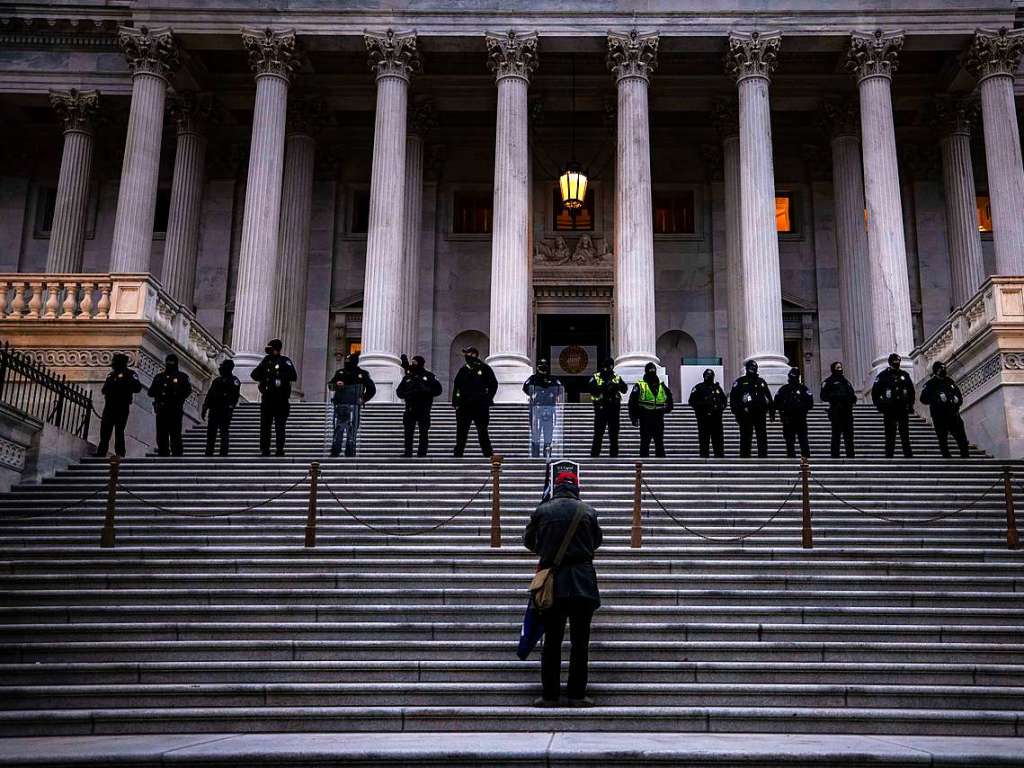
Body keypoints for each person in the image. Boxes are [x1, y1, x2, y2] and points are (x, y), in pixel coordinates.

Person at [523, 469, 603, 708]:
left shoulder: (542, 511)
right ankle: (577, 693)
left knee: (552, 641)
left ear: (556, 488)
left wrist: (547, 551)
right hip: (582, 582)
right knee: (580, 642)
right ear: (576, 487)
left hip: (553, 582)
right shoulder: (588, 511)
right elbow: (596, 541)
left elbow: (529, 542)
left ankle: (550, 694)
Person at [251, 338, 297, 457]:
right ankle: (265, 449)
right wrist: (264, 379)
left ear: (276, 349)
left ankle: (279, 449)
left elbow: (293, 375)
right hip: (267, 398)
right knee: (265, 426)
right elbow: (254, 374)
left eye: (271, 348)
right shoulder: (266, 361)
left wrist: (279, 378)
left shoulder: (284, 361)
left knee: (280, 426)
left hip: (281, 399)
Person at [328, 352, 376, 457]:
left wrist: (363, 399)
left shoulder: (362, 374)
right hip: (340, 405)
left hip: (354, 405)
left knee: (352, 430)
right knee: (338, 429)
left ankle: (350, 450)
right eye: (346, 361)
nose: (347, 363)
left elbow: (371, 389)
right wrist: (336, 384)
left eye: (349, 361)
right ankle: (335, 449)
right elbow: (330, 385)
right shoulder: (340, 373)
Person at [452, 346, 497, 457]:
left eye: (468, 354)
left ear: (474, 355)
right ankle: (458, 452)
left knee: (482, 431)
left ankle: (487, 452)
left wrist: (487, 398)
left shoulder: (485, 368)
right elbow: (457, 387)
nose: (466, 356)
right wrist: (456, 402)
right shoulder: (463, 369)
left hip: (480, 406)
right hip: (464, 406)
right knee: (461, 431)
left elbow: (493, 384)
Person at [95, 353, 142, 458]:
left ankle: (120, 452)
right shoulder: (111, 375)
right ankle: (101, 451)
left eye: (115, 362)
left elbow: (137, 388)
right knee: (105, 430)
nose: (113, 364)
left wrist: (124, 386)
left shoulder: (130, 374)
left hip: (122, 406)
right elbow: (105, 389)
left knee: (119, 430)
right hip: (109, 406)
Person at [920, 360, 970, 458]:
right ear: (936, 371)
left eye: (944, 368)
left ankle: (965, 454)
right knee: (943, 437)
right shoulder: (931, 384)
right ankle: (946, 456)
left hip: (953, 413)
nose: (943, 370)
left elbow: (958, 394)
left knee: (961, 435)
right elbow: (923, 399)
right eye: (940, 369)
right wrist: (937, 399)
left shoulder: (949, 381)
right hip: (939, 415)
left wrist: (957, 400)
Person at [871, 353, 915, 458]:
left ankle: (907, 453)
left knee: (905, 432)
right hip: (889, 409)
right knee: (890, 433)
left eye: (898, 361)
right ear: (890, 362)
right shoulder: (882, 376)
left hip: (902, 408)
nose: (897, 363)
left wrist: (910, 404)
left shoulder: (904, 375)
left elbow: (911, 391)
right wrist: (880, 406)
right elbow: (875, 393)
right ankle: (889, 454)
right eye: (895, 361)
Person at [396, 354, 441, 457]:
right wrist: (407, 395)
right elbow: (399, 391)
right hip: (410, 409)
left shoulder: (429, 376)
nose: (413, 364)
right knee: (408, 432)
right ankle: (408, 452)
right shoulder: (408, 377)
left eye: (415, 362)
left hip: (424, 409)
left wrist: (426, 390)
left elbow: (438, 390)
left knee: (423, 432)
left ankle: (422, 452)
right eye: (412, 362)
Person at [147, 353, 192, 457]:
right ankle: (163, 452)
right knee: (161, 434)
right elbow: (151, 392)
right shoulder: (159, 377)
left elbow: (187, 391)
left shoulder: (182, 377)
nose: (169, 365)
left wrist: (177, 397)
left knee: (175, 433)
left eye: (171, 362)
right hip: (161, 409)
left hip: (175, 409)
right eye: (168, 362)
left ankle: (177, 453)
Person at [729, 359, 775, 458]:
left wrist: (772, 412)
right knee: (745, 436)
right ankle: (745, 455)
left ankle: (763, 454)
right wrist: (737, 413)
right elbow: (733, 399)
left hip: (760, 413)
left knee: (762, 436)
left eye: (754, 368)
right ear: (747, 368)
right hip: (745, 414)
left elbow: (769, 397)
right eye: (751, 368)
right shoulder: (740, 382)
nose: (752, 370)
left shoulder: (761, 382)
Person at [628, 362, 674, 458]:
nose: (652, 372)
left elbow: (669, 396)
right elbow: (632, 402)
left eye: (653, 370)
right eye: (650, 370)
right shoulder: (640, 385)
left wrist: (668, 408)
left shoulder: (661, 385)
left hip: (658, 416)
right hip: (645, 417)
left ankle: (661, 465)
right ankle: (644, 464)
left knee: (659, 442)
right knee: (645, 441)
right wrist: (634, 417)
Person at [523, 359, 563, 458]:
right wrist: (533, 394)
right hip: (536, 409)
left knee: (548, 433)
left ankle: (547, 454)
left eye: (545, 365)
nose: (543, 367)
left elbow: (560, 389)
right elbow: (525, 388)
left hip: (549, 407)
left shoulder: (553, 378)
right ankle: (535, 455)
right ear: (537, 367)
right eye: (541, 365)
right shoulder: (533, 378)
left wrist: (552, 395)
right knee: (535, 433)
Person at [587, 358, 627, 457]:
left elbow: (624, 389)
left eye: (609, 366)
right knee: (598, 434)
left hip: (613, 409)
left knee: (614, 435)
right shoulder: (596, 376)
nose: (608, 368)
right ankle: (595, 455)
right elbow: (591, 389)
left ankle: (614, 455)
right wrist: (605, 387)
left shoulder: (616, 377)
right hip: (601, 409)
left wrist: (615, 386)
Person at [202, 359, 241, 457]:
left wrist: (230, 407)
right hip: (214, 409)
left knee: (224, 432)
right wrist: (205, 407)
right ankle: (209, 451)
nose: (220, 368)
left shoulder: (234, 381)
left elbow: (234, 396)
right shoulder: (217, 381)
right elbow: (210, 395)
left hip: (224, 410)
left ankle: (223, 453)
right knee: (211, 433)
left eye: (223, 366)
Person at [774, 367, 814, 459]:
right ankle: (791, 456)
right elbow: (776, 402)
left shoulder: (803, 389)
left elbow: (809, 402)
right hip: (788, 418)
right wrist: (783, 410)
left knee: (803, 439)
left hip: (800, 418)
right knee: (789, 440)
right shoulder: (784, 389)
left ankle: (806, 456)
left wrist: (802, 409)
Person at [820, 361, 857, 458]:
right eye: (838, 367)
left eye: (841, 367)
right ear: (833, 369)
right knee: (836, 435)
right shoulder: (828, 382)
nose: (840, 369)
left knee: (849, 435)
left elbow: (852, 394)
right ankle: (835, 455)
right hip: (836, 411)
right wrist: (836, 397)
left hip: (847, 412)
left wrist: (851, 399)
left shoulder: (846, 382)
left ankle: (850, 455)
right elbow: (823, 396)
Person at [688, 368, 727, 458]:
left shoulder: (717, 388)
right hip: (704, 419)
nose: (709, 377)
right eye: (707, 375)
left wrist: (720, 408)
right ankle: (704, 458)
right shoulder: (698, 388)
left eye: (710, 376)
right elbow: (692, 401)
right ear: (704, 376)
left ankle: (719, 458)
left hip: (716, 419)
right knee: (704, 440)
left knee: (718, 441)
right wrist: (702, 408)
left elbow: (724, 401)